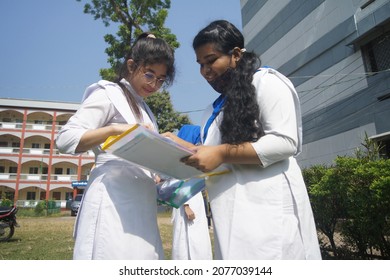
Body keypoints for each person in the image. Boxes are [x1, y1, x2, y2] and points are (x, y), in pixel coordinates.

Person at [164, 20, 321, 259]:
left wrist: (222, 153)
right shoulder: (213, 110)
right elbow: (212, 153)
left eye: (211, 60)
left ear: (236, 54)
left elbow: (286, 141)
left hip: (269, 211)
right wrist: (179, 147)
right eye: (200, 64)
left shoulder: (267, 82)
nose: (205, 71)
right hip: (231, 215)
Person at [55, 33, 175, 260]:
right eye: (149, 74)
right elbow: (65, 139)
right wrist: (113, 130)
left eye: (161, 79)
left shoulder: (145, 109)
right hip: (112, 196)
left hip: (141, 200)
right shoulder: (108, 93)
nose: (154, 84)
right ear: (131, 65)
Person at [170, 125, 212, 260]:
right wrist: (186, 206)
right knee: (187, 237)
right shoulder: (182, 163)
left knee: (196, 236)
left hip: (195, 199)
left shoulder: (192, 160)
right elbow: (180, 183)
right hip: (187, 201)